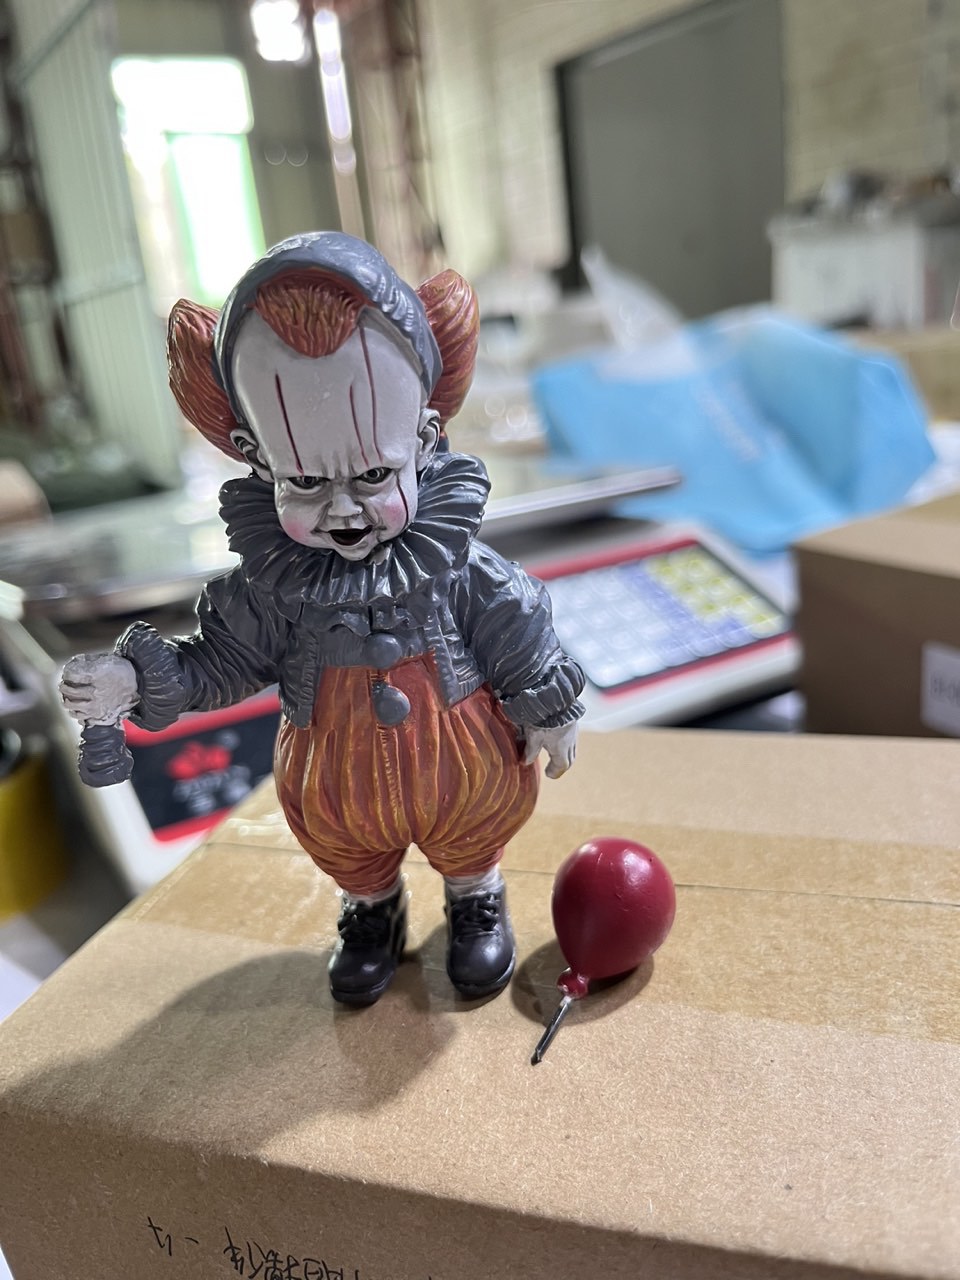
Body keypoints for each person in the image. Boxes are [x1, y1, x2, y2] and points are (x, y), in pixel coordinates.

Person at [60, 232, 585, 1006]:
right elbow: (221, 663)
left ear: (423, 441)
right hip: (334, 764)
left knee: (473, 824)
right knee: (344, 838)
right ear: (258, 458)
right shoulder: (273, 588)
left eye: (373, 474)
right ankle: (371, 910)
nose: (343, 511)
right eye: (304, 482)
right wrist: (135, 680)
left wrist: (548, 704)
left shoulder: (452, 564)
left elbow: (515, 620)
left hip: (462, 751)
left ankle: (476, 897)